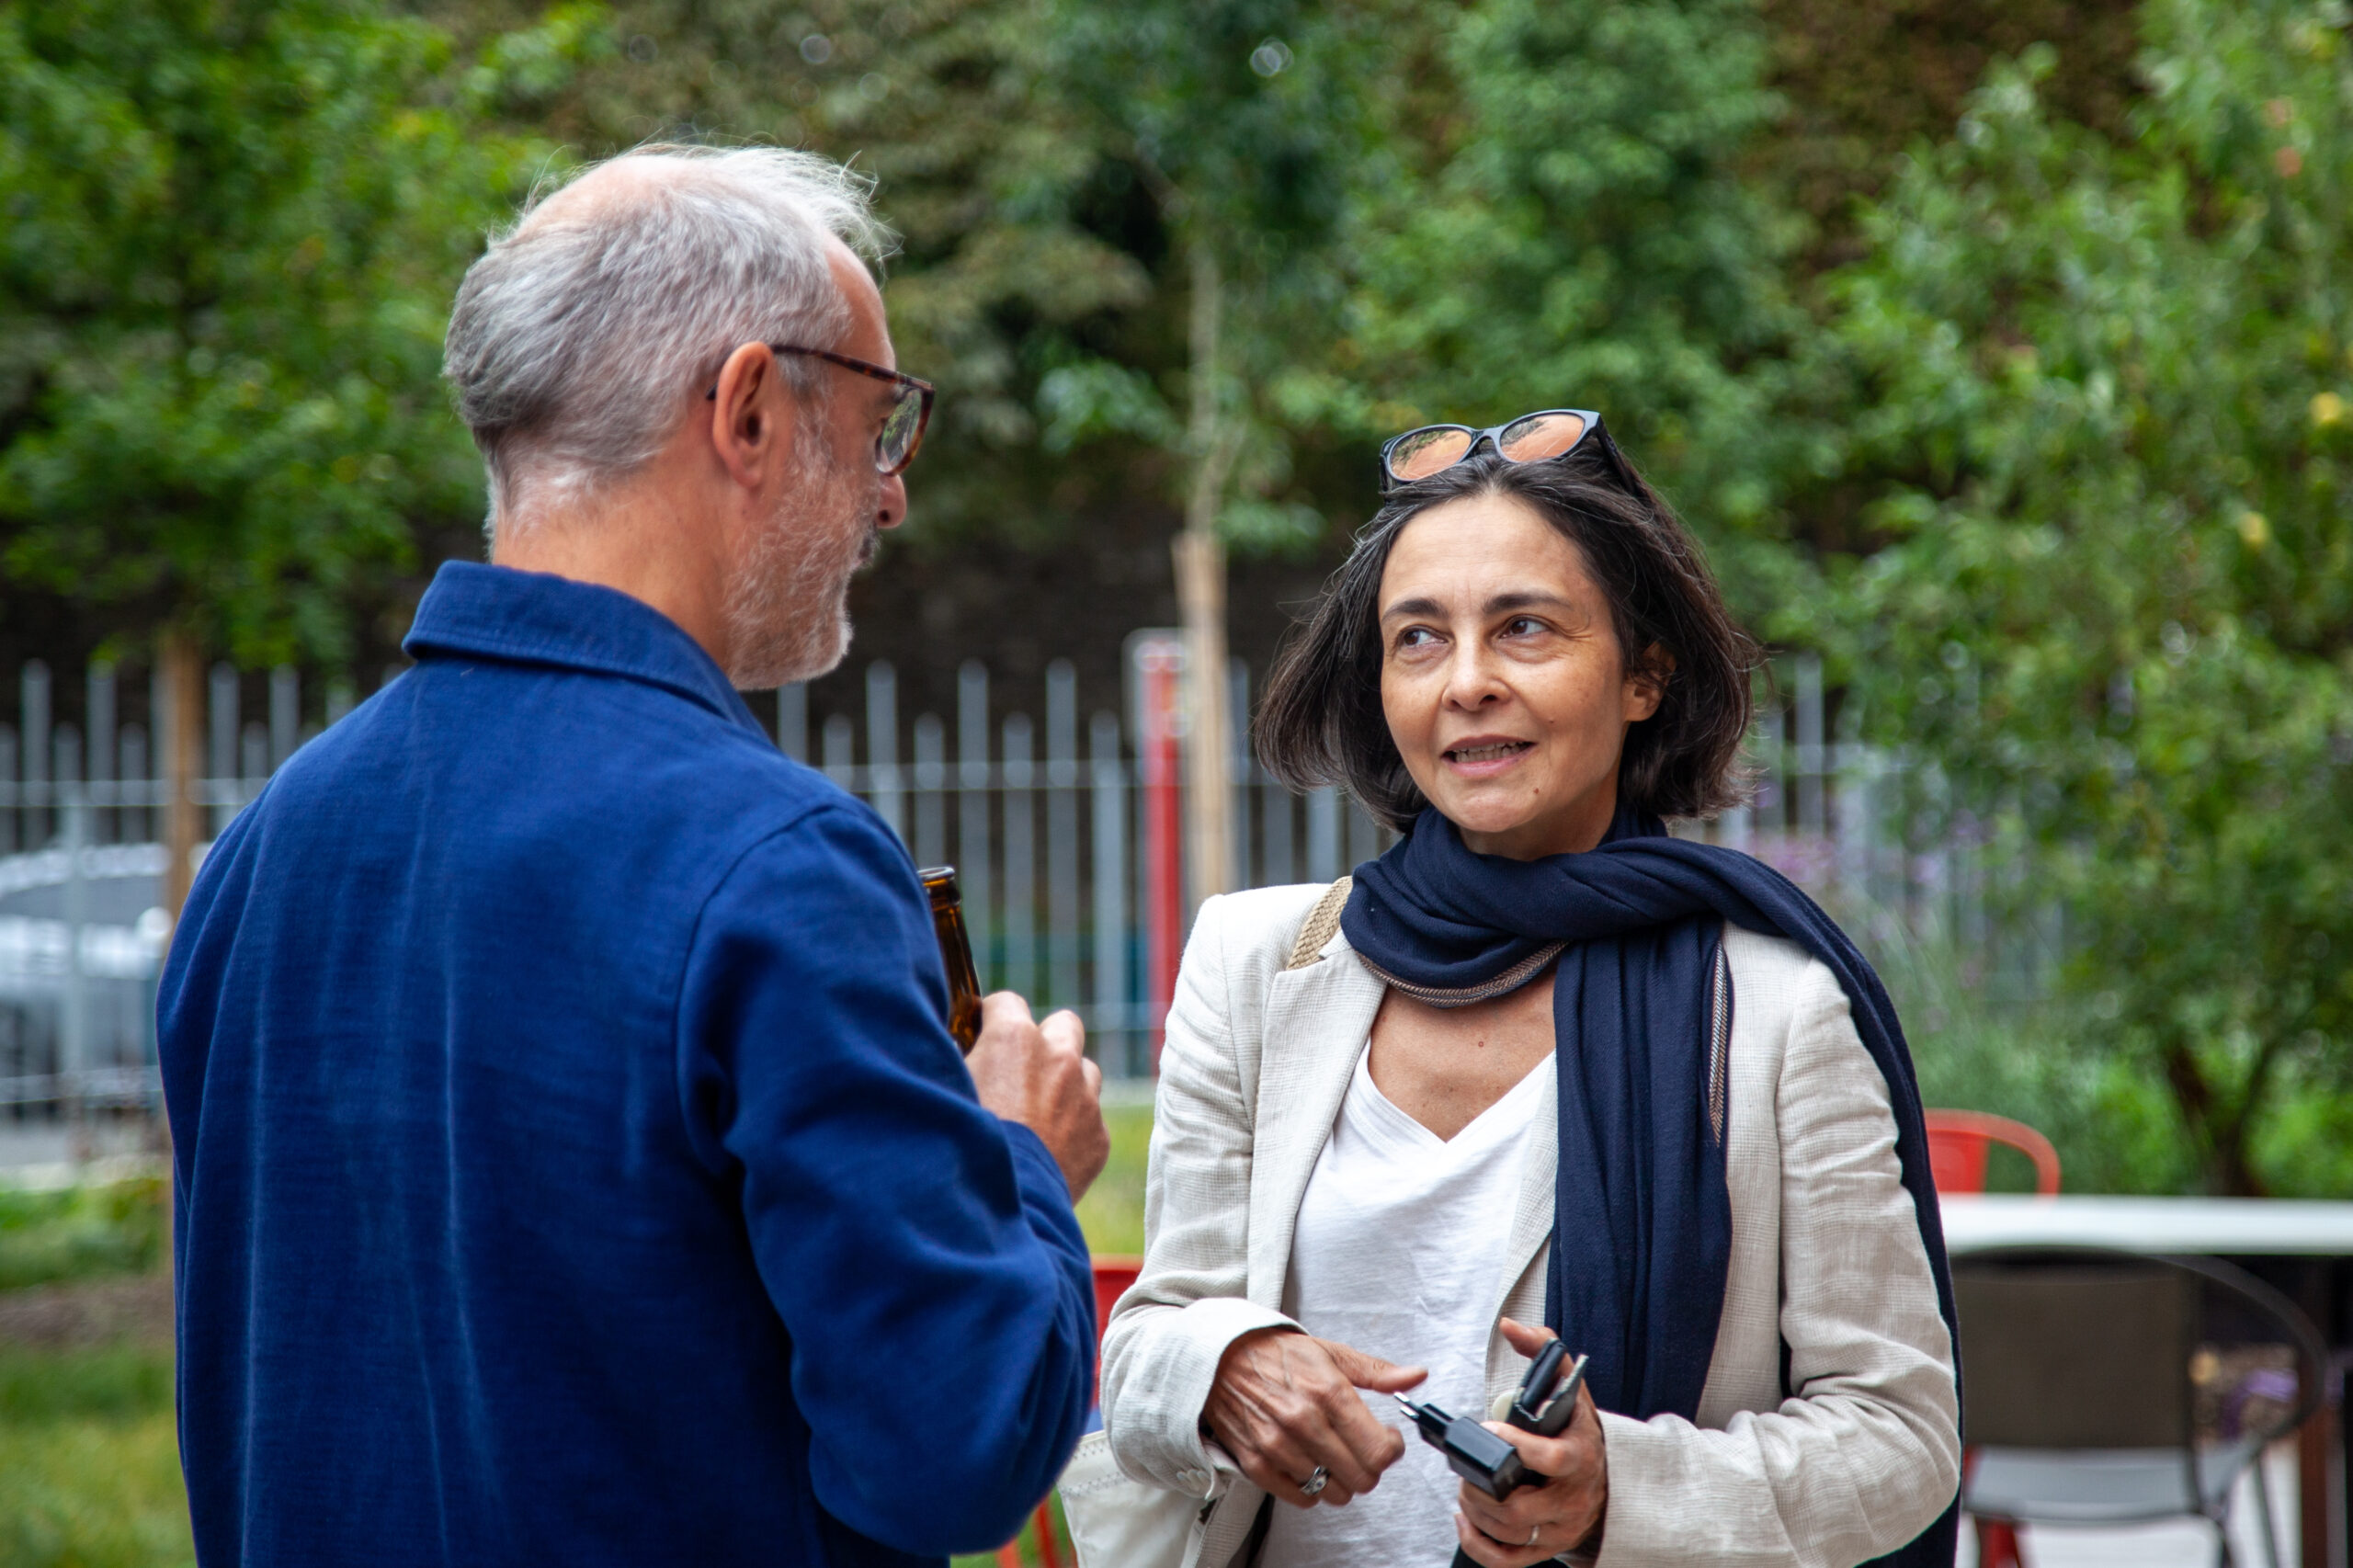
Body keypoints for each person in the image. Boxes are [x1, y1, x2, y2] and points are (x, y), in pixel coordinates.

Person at [157, 145, 1108, 1567]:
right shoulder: (778, 866)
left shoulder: (267, 845)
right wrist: (1019, 1158)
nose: (890, 495)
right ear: (744, 408)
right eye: (878, 421)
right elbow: (956, 1449)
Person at [1098, 412, 1960, 1568]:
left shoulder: (1772, 1012)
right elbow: (1150, 1335)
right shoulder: (1257, 964)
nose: (1466, 682)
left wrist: (1625, 1491)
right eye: (1418, 638)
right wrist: (1227, 1364)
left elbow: (1898, 1435)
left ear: (1643, 673)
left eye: (1524, 628)